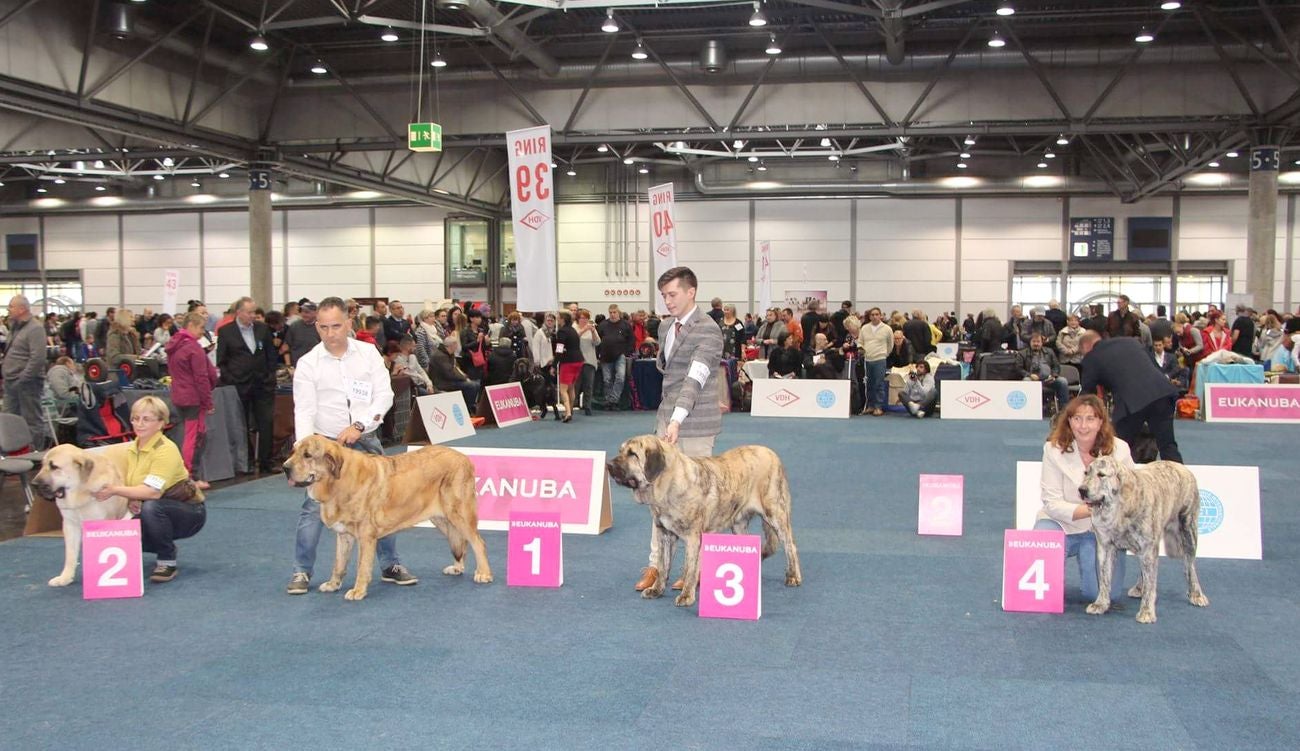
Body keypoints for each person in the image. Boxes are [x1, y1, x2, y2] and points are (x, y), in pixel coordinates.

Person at [288, 296, 414, 595]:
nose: (330, 333)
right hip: (324, 447)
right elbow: (303, 409)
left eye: (335, 326)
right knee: (312, 507)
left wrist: (359, 425)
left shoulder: (369, 354)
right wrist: (305, 450)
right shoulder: (308, 363)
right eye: (323, 327)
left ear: (349, 323)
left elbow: (383, 395)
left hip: (365, 440)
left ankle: (389, 564)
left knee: (382, 504)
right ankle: (301, 571)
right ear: (316, 326)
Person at [634, 266, 725, 593]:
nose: (667, 301)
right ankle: (656, 566)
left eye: (672, 294)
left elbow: (695, 379)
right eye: (664, 295)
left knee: (697, 504)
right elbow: (668, 371)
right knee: (659, 499)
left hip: (695, 425)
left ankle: (695, 570)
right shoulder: (665, 327)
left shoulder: (709, 331)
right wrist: (667, 417)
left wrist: (677, 418)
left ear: (691, 292)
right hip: (666, 421)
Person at [94, 396, 206, 583]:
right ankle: (164, 543)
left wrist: (115, 490)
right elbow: (138, 486)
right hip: (159, 507)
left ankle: (166, 561)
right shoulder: (132, 448)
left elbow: (153, 492)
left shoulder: (166, 450)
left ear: (161, 422)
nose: (139, 424)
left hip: (191, 512)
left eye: (146, 419)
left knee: (152, 507)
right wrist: (132, 499)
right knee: (124, 534)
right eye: (135, 418)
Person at [1034, 394, 1132, 604]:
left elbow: (1130, 494)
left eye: (1090, 419)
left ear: (1100, 422)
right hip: (1062, 522)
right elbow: (1051, 502)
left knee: (1104, 596)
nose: (1083, 426)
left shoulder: (1120, 450)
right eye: (1077, 418)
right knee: (1043, 536)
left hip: (1104, 529)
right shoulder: (1053, 449)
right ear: (1068, 421)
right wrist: (1092, 510)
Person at [1078, 331, 1182, 463]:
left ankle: (1111, 478)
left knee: (1116, 445)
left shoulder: (1091, 357)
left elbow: (1087, 393)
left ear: (1086, 347)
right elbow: (1156, 368)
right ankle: (1182, 480)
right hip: (1161, 393)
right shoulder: (1131, 342)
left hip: (1131, 403)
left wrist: (1074, 414)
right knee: (1167, 444)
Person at [216, 297, 279, 474]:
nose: (254, 315)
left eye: (254, 311)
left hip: (262, 384)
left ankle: (266, 461)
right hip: (238, 385)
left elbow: (271, 355)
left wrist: (270, 376)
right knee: (241, 424)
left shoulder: (263, 329)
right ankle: (248, 461)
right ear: (239, 313)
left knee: (266, 422)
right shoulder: (226, 332)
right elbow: (222, 360)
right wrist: (231, 379)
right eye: (250, 312)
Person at [165, 311, 220, 479]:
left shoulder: (174, 345)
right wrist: (208, 403)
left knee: (188, 436)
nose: (203, 332)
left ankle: (188, 473)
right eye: (201, 327)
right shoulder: (193, 348)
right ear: (191, 326)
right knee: (194, 437)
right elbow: (201, 378)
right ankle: (189, 475)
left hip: (179, 396)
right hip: (193, 398)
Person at [1, 296, 50, 448]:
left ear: (22, 309)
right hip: (11, 382)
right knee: (9, 418)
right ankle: (12, 452)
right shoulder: (15, 327)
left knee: (32, 420)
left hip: (28, 384)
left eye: (11, 306)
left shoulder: (35, 328)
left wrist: (23, 378)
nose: (8, 309)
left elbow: (38, 358)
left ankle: (35, 454)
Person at [1018, 332, 1069, 413]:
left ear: (1042, 343)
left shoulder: (1050, 352)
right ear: (1030, 342)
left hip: (1049, 379)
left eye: (1038, 342)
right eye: (1034, 342)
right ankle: (1028, 410)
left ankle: (1064, 410)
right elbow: (1019, 369)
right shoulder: (1022, 353)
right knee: (1026, 381)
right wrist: (1030, 375)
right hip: (1032, 379)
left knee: (1063, 381)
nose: (1036, 344)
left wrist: (1053, 376)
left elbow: (1056, 366)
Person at [429, 334, 480, 409]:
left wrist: (464, 376)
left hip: (449, 380)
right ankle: (468, 407)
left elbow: (454, 369)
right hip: (442, 383)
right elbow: (449, 373)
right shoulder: (440, 356)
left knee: (477, 383)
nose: (457, 347)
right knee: (472, 385)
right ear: (453, 345)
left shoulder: (449, 354)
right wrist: (464, 378)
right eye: (456, 344)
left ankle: (470, 405)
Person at [597, 305, 633, 410]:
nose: (612, 314)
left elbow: (631, 339)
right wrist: (597, 354)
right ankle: (608, 401)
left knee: (620, 378)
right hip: (605, 356)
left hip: (620, 355)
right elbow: (597, 340)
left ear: (618, 312)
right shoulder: (603, 325)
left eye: (614, 312)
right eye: (611, 312)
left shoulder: (625, 325)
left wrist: (626, 352)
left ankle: (614, 400)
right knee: (607, 380)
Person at [858, 307, 892, 416]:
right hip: (867, 359)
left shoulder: (887, 329)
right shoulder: (864, 328)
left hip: (880, 359)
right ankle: (870, 406)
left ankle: (878, 407)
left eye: (877, 314)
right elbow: (860, 342)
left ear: (880, 315)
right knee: (869, 384)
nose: (874, 316)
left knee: (879, 384)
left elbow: (890, 344)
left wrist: (884, 354)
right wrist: (861, 348)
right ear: (869, 316)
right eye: (872, 314)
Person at [553, 311, 583, 423]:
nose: (557, 319)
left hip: (568, 362)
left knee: (563, 389)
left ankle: (568, 413)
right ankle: (569, 410)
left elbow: (559, 349)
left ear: (563, 319)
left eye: (558, 318)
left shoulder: (562, 332)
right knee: (571, 387)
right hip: (579, 360)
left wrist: (554, 364)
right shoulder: (573, 330)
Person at [576, 309, 600, 416]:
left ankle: (587, 406)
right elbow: (574, 338)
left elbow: (597, 342)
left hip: (589, 361)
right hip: (577, 361)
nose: (584, 320)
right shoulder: (574, 328)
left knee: (588, 385)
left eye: (586, 318)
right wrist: (584, 329)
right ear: (578, 319)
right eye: (582, 318)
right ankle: (572, 405)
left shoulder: (591, 329)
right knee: (576, 385)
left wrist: (593, 331)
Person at [284, 300, 320, 366]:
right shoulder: (294, 326)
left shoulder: (321, 327)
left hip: (315, 365)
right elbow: (286, 346)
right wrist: (288, 365)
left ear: (315, 313)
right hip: (296, 366)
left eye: (307, 312)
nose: (304, 314)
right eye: (302, 311)